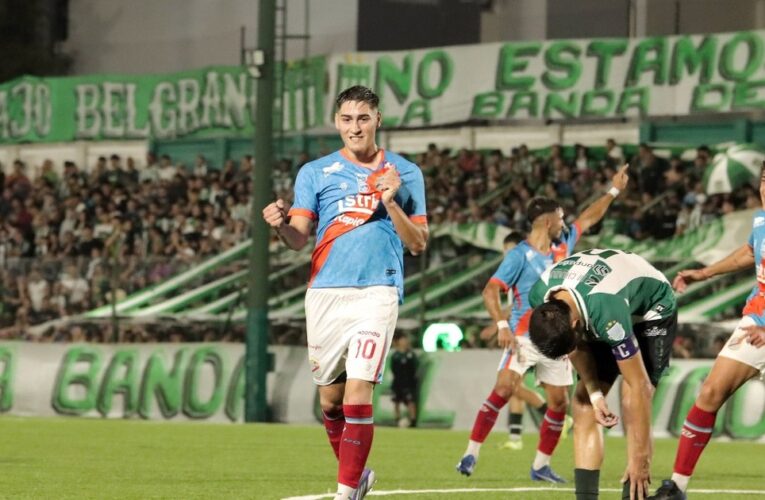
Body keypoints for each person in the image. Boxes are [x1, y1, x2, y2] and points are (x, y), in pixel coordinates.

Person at [262, 85, 428, 500]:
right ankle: (358, 476)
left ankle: (345, 493)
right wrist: (280, 225)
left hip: (378, 290)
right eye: (348, 119)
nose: (355, 127)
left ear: (378, 120)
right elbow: (298, 239)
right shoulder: (314, 172)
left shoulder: (405, 172)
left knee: (358, 392)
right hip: (325, 292)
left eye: (363, 118)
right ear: (337, 122)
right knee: (332, 403)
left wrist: (391, 202)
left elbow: (418, 243)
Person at [456, 164, 629, 483]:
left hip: (556, 338)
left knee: (559, 403)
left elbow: (589, 218)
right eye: (561, 218)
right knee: (504, 388)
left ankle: (540, 465)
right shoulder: (518, 256)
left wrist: (614, 190)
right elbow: (490, 290)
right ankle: (471, 452)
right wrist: (502, 326)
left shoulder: (563, 247)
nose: (565, 223)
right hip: (522, 336)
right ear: (548, 221)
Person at [648, 165, 765, 500]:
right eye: (764, 181)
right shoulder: (761, 220)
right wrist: (704, 273)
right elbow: (749, 252)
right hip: (755, 322)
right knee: (710, 393)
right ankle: (677, 487)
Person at [528, 249, 678, 500]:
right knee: (584, 403)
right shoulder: (540, 299)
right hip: (600, 304)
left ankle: (634, 491)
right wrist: (596, 396)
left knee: (632, 400)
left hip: (650, 310)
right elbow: (576, 348)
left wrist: (640, 458)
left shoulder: (607, 312)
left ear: (575, 324)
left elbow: (638, 385)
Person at [390, 333, 418, 428]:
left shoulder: (411, 354)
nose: (404, 342)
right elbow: (393, 369)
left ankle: (413, 420)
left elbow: (415, 367)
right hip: (397, 382)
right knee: (396, 401)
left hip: (409, 383)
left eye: (405, 340)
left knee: (410, 401)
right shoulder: (395, 355)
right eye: (402, 340)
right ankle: (397, 419)